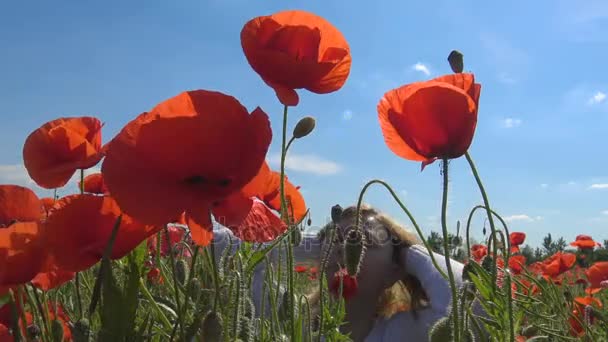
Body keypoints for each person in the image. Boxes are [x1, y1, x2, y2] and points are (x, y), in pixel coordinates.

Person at [319, 204, 468, 342]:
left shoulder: (401, 333)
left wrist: (407, 253)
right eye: (336, 239)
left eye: (365, 241)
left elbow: (473, 308)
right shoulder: (302, 324)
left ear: (393, 271)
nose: (343, 247)